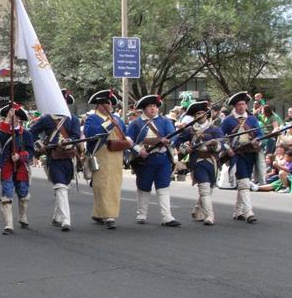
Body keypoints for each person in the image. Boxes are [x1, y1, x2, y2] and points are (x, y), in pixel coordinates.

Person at [30, 89, 81, 232]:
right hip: (53, 157)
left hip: (69, 159)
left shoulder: (74, 119)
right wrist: (38, 144)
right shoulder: (47, 118)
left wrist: (70, 141)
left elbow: (77, 136)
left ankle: (57, 217)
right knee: (60, 187)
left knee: (63, 187)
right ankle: (66, 220)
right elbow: (31, 133)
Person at [127, 94, 180, 227]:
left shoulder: (165, 121)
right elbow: (129, 141)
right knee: (143, 187)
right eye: (150, 106)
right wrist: (139, 151)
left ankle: (167, 217)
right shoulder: (136, 123)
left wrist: (168, 141)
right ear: (144, 109)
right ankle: (142, 214)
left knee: (163, 187)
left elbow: (173, 136)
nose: (153, 109)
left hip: (162, 158)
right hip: (144, 160)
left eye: (155, 106)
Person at [84, 90, 132, 229]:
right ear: (99, 105)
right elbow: (90, 133)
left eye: (110, 103)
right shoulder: (92, 118)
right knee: (102, 184)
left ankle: (99, 212)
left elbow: (124, 136)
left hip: (116, 155)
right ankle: (107, 215)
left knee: (114, 184)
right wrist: (108, 124)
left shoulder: (118, 120)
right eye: (105, 103)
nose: (109, 106)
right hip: (101, 153)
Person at [174, 101, 226, 225]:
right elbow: (176, 142)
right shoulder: (190, 130)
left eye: (203, 113)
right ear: (194, 116)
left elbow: (222, 144)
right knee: (204, 189)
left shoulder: (215, 129)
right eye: (198, 113)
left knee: (209, 189)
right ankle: (210, 215)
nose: (201, 115)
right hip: (197, 162)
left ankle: (199, 209)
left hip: (212, 162)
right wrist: (186, 149)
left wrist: (213, 146)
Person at [220, 91, 262, 223]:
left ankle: (238, 211)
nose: (241, 107)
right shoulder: (228, 120)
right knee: (244, 183)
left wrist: (257, 141)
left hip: (250, 153)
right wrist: (228, 149)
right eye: (239, 104)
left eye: (243, 104)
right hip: (236, 155)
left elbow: (260, 134)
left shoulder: (252, 119)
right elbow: (221, 138)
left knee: (243, 183)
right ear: (234, 106)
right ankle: (248, 212)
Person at [0, 104, 35, 235]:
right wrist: (7, 118)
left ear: (20, 119)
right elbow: (0, 136)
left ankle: (23, 217)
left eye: (15, 116)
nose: (14, 118)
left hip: (21, 167)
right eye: (11, 116)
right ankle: (8, 225)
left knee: (23, 193)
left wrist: (20, 156)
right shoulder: (4, 132)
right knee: (7, 194)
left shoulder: (27, 134)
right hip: (6, 166)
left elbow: (31, 151)